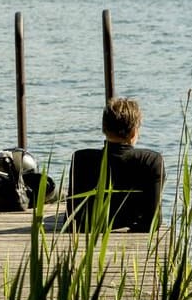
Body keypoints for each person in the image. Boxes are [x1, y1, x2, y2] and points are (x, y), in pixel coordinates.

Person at [67, 96, 165, 232]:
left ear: (104, 129)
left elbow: (72, 214)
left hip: (87, 226)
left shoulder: (81, 158)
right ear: (133, 132)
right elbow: (154, 222)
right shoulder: (152, 161)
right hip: (129, 226)